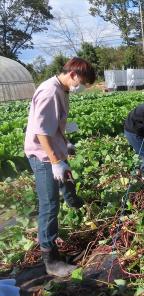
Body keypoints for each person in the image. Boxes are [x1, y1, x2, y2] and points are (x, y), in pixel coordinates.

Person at [24, 57, 96, 277]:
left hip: (55, 150)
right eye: (83, 82)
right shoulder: (49, 92)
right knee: (49, 205)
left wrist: (65, 143)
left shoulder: (62, 89)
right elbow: (41, 132)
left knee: (68, 185)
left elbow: (54, 125)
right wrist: (55, 161)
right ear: (73, 74)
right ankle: (51, 260)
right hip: (43, 156)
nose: (82, 87)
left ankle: (79, 209)